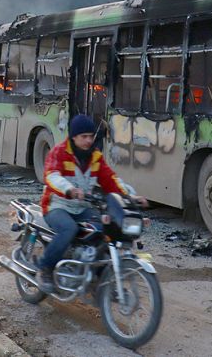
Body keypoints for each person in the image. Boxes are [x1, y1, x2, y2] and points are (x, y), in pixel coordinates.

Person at [36, 114, 147, 293]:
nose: (89, 140)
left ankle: (100, 276)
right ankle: (45, 270)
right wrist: (70, 190)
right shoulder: (60, 152)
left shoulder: (95, 156)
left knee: (106, 228)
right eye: (84, 137)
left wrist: (130, 197)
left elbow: (111, 180)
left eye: (91, 136)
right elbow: (51, 176)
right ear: (73, 137)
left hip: (82, 207)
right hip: (57, 205)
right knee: (69, 229)